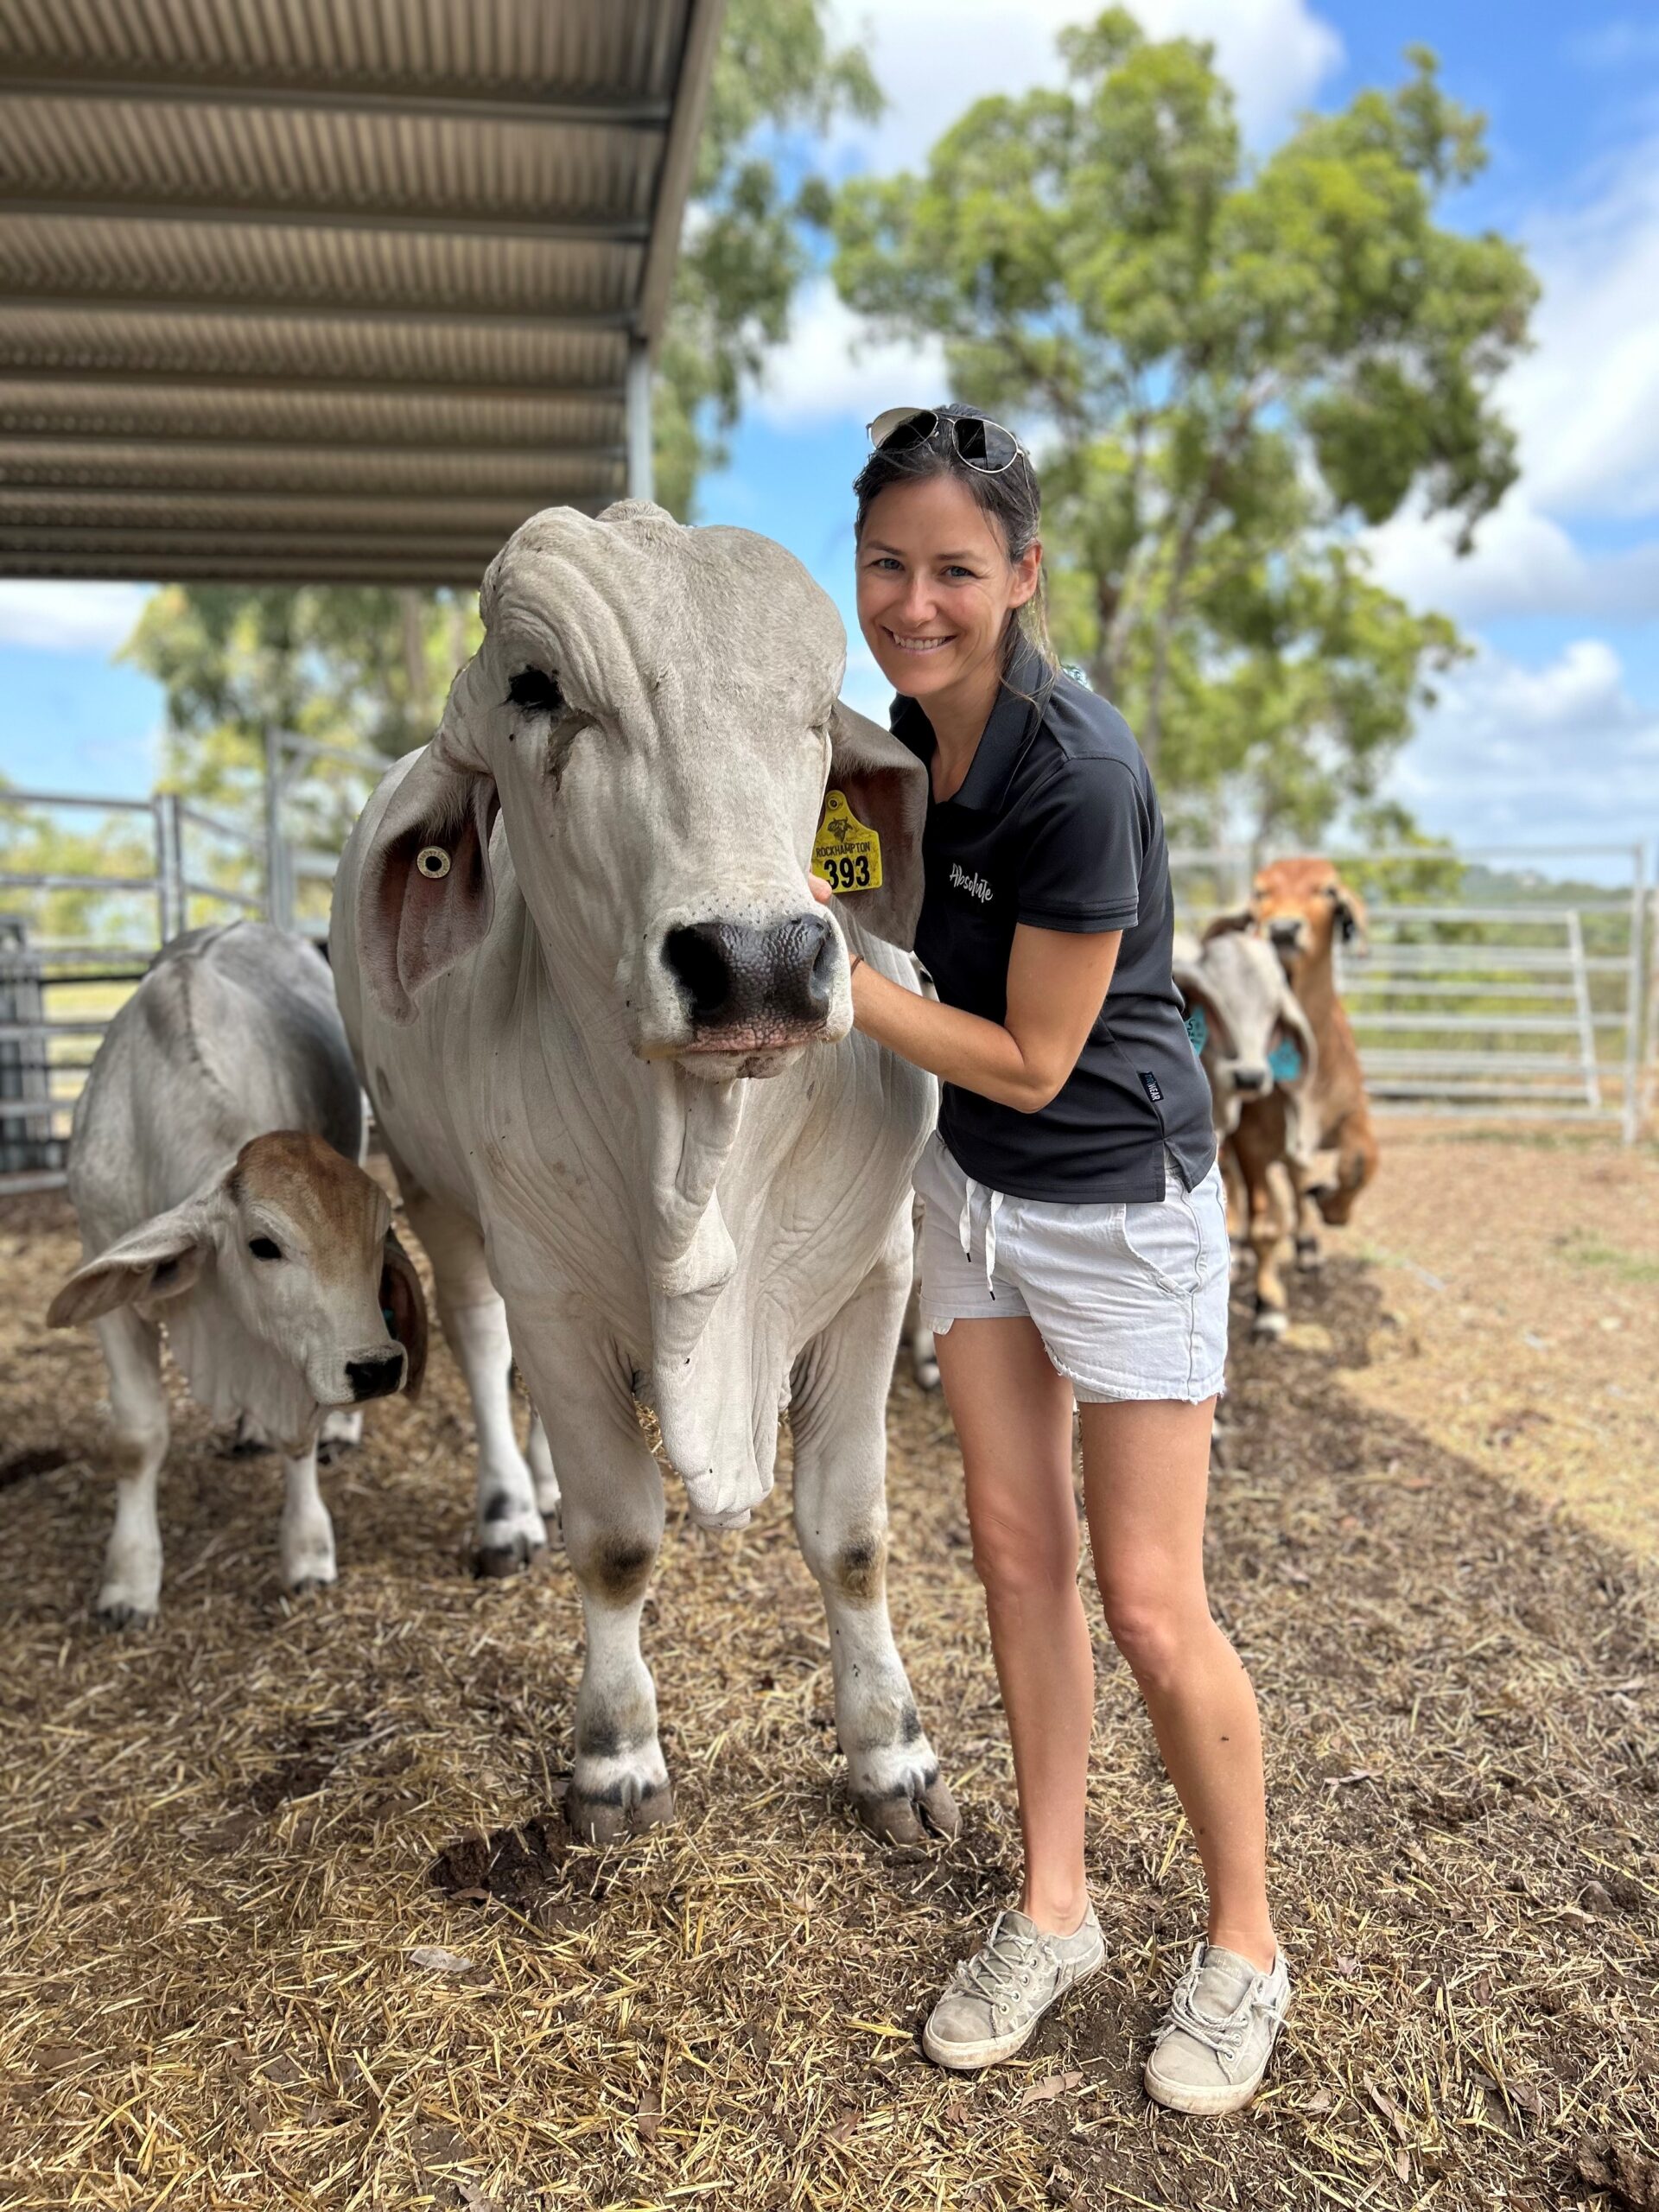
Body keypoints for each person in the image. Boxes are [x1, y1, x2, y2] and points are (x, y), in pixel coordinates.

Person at [810, 404, 1289, 2114]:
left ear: (1020, 575)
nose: (915, 597)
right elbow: (853, 890)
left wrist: (826, 981)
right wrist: (801, 909)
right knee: (1016, 1555)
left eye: (953, 568)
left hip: (1115, 1199)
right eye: (886, 562)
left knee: (1153, 1600)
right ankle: (1056, 1904)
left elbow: (1024, 1053)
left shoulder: (1077, 769)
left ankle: (1243, 1943)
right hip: (975, 1202)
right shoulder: (893, 745)